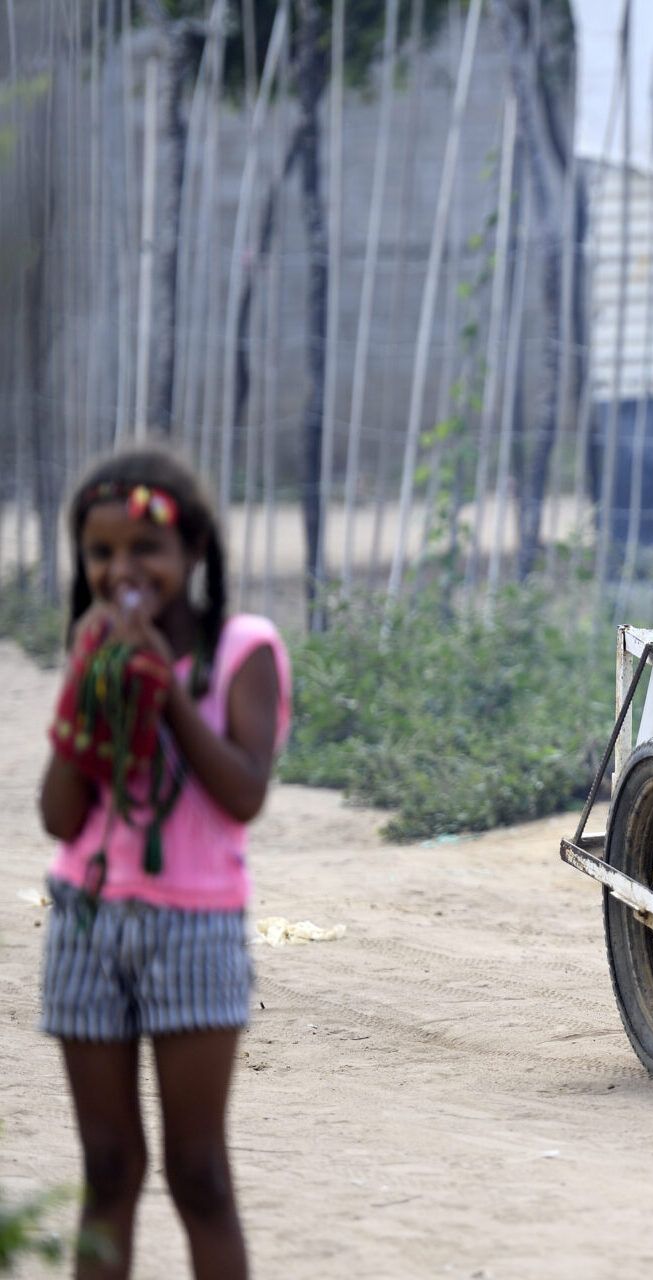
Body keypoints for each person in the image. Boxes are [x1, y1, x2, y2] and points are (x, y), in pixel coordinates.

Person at [38, 448, 291, 1280]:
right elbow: (61, 816)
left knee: (199, 1175)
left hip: (195, 929)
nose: (122, 570)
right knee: (108, 1170)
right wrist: (91, 682)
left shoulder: (241, 651)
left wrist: (168, 692)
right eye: (102, 553)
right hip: (85, 922)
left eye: (145, 548)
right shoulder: (94, 651)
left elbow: (243, 793)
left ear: (193, 553)